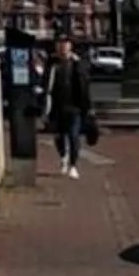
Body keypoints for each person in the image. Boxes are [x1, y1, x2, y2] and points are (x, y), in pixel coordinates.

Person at [42, 34, 93, 179]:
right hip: (56, 107)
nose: (63, 47)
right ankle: (63, 156)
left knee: (73, 136)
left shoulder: (77, 63)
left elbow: (85, 84)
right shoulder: (52, 64)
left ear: (70, 46)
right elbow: (45, 84)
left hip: (74, 107)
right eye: (60, 44)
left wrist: (88, 107)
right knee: (59, 136)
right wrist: (44, 105)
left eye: (66, 44)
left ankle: (73, 165)